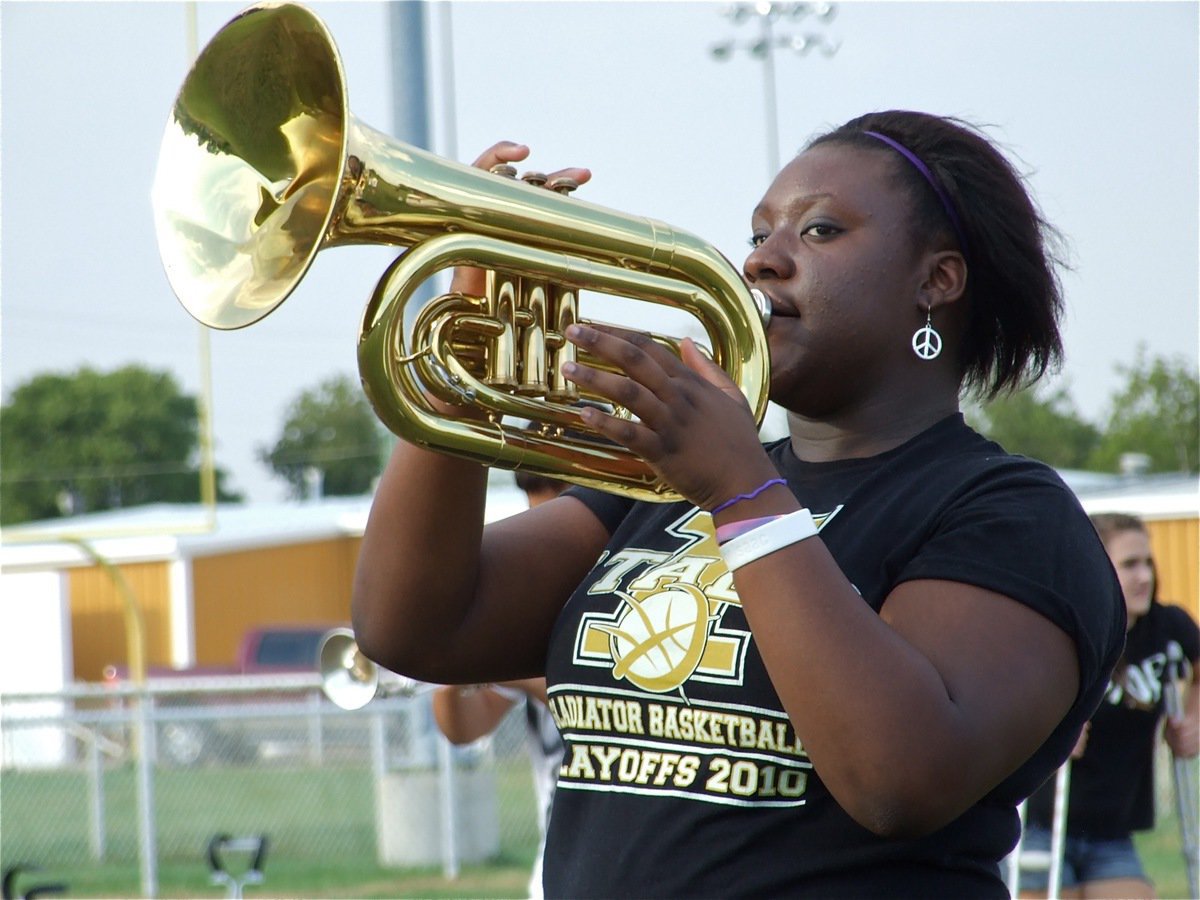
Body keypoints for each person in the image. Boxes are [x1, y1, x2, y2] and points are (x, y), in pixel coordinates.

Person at [351, 110, 1127, 897]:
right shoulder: (662, 487)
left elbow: (897, 778)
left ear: (937, 280)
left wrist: (741, 491)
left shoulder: (1009, 514)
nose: (763, 261)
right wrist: (462, 365)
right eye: (758, 235)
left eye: (819, 231)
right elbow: (417, 626)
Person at [1020, 512, 1200, 899]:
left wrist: (1194, 719)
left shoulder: (1165, 628)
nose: (1145, 576)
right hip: (1044, 827)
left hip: (1113, 836)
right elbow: (1005, 687)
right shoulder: (1066, 626)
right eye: (1130, 564)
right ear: (1098, 568)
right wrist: (1051, 729)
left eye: (1148, 563)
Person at [431, 471, 568, 900]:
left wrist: (500, 663)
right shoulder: (537, 601)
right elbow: (464, 729)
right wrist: (448, 677)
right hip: (557, 870)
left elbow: (605, 691)